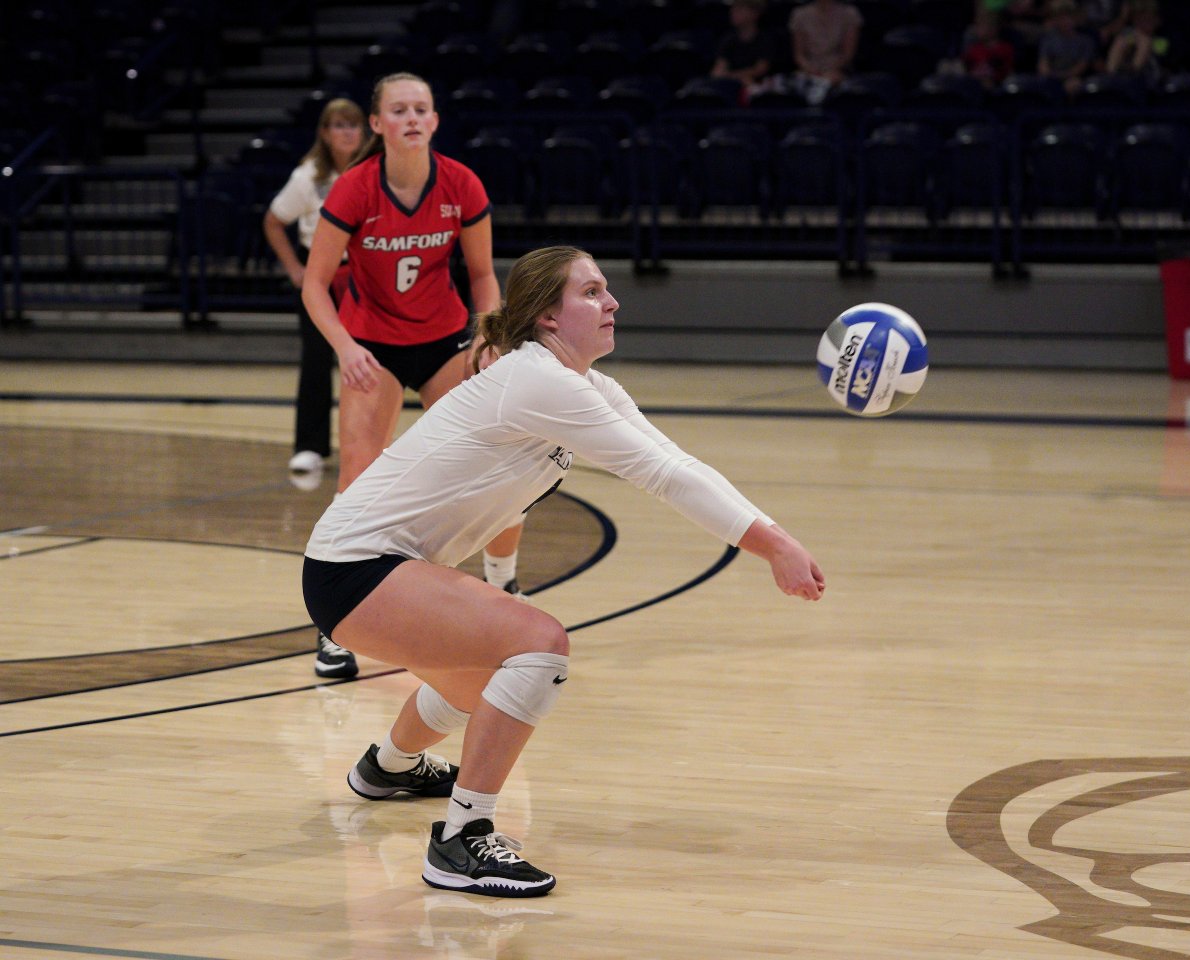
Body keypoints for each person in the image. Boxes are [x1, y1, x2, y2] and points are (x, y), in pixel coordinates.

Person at [301, 245, 827, 897]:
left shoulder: (585, 386)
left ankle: (389, 767)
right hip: (353, 566)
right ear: (549, 317)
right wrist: (772, 545)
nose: (612, 303)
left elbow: (675, 460)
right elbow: (663, 476)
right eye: (592, 292)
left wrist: (772, 536)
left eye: (606, 291)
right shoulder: (535, 380)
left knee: (478, 682)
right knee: (536, 644)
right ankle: (463, 839)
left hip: (375, 566)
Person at [301, 71, 525, 681]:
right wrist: (344, 347)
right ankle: (333, 629)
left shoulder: (460, 183)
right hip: (371, 342)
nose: (411, 119)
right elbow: (314, 283)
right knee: (357, 479)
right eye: (398, 110)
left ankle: (505, 585)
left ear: (434, 119)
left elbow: (481, 275)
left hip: (446, 338)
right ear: (377, 123)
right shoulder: (353, 189)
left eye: (421, 109)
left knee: (492, 465)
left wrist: (487, 333)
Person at [263, 98, 366, 484]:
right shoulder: (308, 176)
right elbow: (273, 221)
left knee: (371, 361)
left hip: (364, 275)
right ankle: (310, 447)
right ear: (325, 133)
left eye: (353, 125)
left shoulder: (373, 172)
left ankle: (366, 447)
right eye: (339, 125)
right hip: (322, 276)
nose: (347, 133)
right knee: (317, 358)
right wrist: (294, 269)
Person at [787, 0, 863, 105]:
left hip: (837, 68)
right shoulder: (800, 14)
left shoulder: (849, 14)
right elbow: (799, 55)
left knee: (832, 84)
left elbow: (847, 54)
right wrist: (811, 70)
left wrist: (828, 71)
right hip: (809, 68)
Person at [711, 0, 778, 95]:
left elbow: (760, 69)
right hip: (732, 86)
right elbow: (718, 71)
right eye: (733, 9)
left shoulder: (765, 40)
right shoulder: (728, 40)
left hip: (760, 88)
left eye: (739, 9)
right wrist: (732, 77)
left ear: (754, 13)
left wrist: (736, 77)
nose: (733, 12)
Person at [1037, 0, 1097, 96]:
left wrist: (1062, 76)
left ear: (1075, 18)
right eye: (1061, 18)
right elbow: (1043, 65)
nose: (1065, 21)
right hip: (1052, 78)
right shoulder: (1048, 40)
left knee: (1073, 85)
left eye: (1068, 17)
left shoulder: (1085, 41)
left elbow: (1081, 67)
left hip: (1073, 78)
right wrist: (1051, 76)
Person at [1105, 0, 1164, 83]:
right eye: (1140, 19)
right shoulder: (1130, 34)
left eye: (1148, 20)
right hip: (1123, 76)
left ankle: (1132, 72)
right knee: (1121, 40)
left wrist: (1144, 43)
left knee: (1145, 42)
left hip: (1150, 77)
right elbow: (1126, 44)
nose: (1143, 23)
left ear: (1157, 21)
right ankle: (1111, 77)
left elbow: (1160, 52)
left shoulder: (1161, 38)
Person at [961, 8, 1016, 88]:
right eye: (977, 25)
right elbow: (966, 68)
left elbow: (1008, 72)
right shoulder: (974, 49)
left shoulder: (1005, 49)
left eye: (981, 26)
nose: (976, 29)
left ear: (992, 29)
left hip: (996, 86)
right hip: (974, 85)